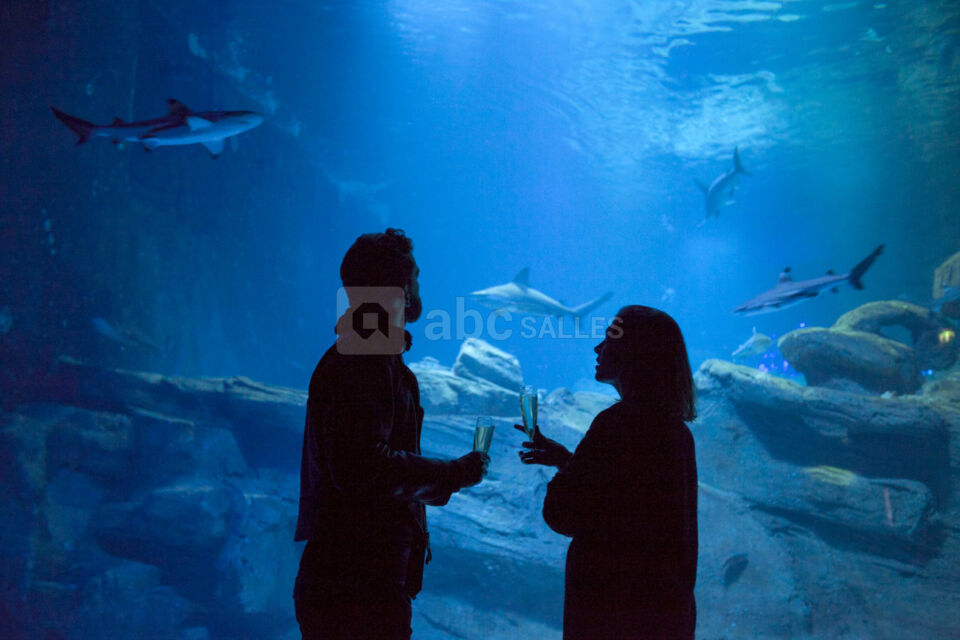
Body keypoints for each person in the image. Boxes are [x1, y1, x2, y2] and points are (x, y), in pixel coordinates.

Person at [294, 228, 489, 640]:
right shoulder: (363, 361)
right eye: (415, 277)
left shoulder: (369, 357)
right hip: (355, 587)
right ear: (399, 287)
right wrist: (451, 474)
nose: (419, 286)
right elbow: (363, 468)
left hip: (358, 583)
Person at [517, 305, 698, 640]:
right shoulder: (676, 433)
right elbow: (631, 505)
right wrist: (569, 461)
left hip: (608, 614)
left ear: (636, 351)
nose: (598, 348)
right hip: (664, 618)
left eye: (609, 339)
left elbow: (563, 515)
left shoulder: (616, 424)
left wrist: (565, 475)